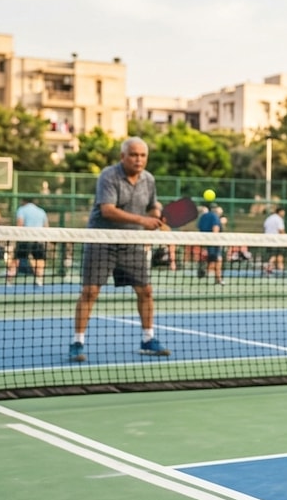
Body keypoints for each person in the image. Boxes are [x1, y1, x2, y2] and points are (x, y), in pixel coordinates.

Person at [70, 137, 170, 362]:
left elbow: (153, 205)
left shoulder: (148, 179)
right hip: (102, 241)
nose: (139, 159)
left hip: (131, 243)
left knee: (146, 291)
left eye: (143, 155)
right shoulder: (109, 175)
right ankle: (77, 342)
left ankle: (147, 339)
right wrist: (143, 221)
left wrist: (155, 213)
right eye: (134, 155)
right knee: (90, 292)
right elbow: (107, 210)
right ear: (122, 156)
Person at [14, 197, 50, 285]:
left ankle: (9, 280)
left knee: (16, 259)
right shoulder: (41, 211)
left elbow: (20, 224)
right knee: (39, 259)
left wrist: (16, 239)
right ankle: (39, 280)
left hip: (25, 239)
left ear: (23, 201)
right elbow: (46, 226)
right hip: (39, 240)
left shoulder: (21, 209)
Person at [198, 203, 224, 285]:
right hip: (214, 241)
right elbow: (215, 228)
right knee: (218, 259)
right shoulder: (214, 216)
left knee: (212, 259)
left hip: (204, 240)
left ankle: (206, 270)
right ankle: (218, 278)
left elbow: (199, 227)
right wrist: (215, 240)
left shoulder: (203, 217)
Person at [262, 207, 286, 275]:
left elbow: (265, 228)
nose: (284, 214)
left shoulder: (268, 218)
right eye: (283, 212)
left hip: (268, 240)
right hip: (277, 241)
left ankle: (279, 269)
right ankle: (270, 267)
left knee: (276, 255)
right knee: (276, 255)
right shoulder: (279, 219)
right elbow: (281, 230)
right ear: (280, 212)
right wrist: (286, 239)